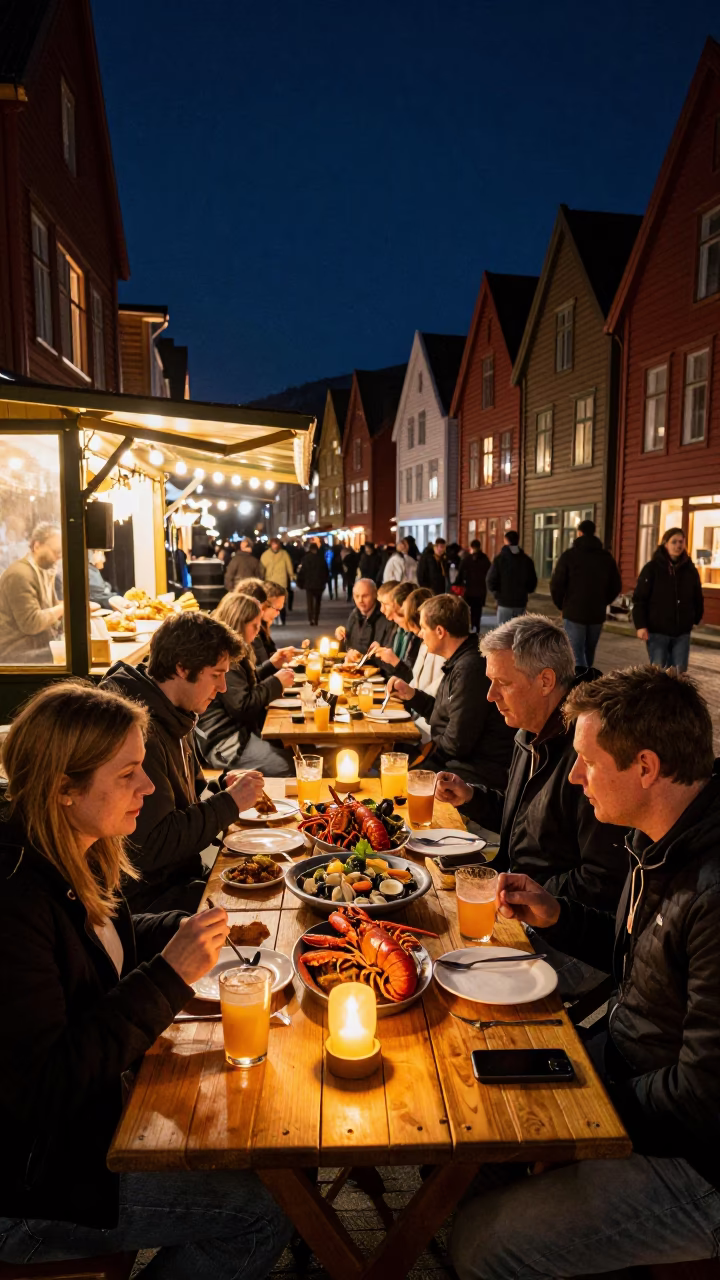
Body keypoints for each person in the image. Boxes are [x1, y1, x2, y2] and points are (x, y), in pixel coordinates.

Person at [0, 681, 290, 1278]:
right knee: (264, 1211)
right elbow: (46, 1086)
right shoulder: (14, 900)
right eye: (129, 772)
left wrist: (189, 925)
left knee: (250, 1129)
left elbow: (103, 944)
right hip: (32, 1185)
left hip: (91, 1122)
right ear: (63, 788)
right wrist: (168, 975)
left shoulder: (76, 848)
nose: (150, 786)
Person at [451, 666, 720, 1279]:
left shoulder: (710, 890)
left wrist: (584, 1124)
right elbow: (638, 954)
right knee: (475, 1131)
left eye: (587, 762)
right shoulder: (660, 836)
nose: (573, 777)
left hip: (699, 1156)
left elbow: (705, 1094)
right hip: (631, 1065)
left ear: (645, 768)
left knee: (481, 1245)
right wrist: (553, 913)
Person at [435, 614, 626, 908]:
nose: (490, 696)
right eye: (490, 682)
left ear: (546, 681)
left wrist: (524, 896)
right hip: (510, 893)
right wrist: (471, 796)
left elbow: (603, 878)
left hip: (551, 924)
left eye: (503, 683)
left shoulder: (591, 750)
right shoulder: (529, 729)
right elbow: (527, 826)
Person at [101, 612, 264, 913]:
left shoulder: (176, 710)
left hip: (183, 879)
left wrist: (221, 787)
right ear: (182, 668)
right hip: (150, 902)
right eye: (216, 674)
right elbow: (149, 846)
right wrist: (228, 803)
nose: (224, 687)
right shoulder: (135, 730)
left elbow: (185, 800)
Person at [388, 594, 515, 789]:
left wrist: (425, 757)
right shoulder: (460, 661)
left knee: (396, 784)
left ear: (440, 631)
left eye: (423, 627)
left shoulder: (470, 668)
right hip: (456, 762)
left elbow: (457, 743)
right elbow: (443, 716)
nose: (419, 634)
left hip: (473, 773)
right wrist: (411, 695)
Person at [196, 593, 294, 776]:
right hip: (223, 742)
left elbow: (240, 686)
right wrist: (277, 683)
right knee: (288, 766)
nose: (258, 631)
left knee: (295, 756)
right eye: (254, 625)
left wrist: (270, 666)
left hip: (234, 733)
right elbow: (242, 706)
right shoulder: (225, 657)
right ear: (239, 623)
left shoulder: (226, 650)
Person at [370, 586, 439, 742]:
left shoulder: (431, 648)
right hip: (418, 718)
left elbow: (432, 703)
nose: (387, 614)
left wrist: (396, 664)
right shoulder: (419, 642)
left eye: (399, 613)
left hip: (424, 730)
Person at [550, 518, 622, 667]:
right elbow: (616, 585)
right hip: (597, 612)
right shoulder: (606, 558)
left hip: (574, 611)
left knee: (575, 652)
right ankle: (588, 682)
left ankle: (583, 683)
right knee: (589, 651)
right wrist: (603, 601)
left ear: (579, 533)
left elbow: (557, 584)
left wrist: (562, 605)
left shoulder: (569, 556)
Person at [632, 526, 703, 673]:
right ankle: (657, 697)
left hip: (682, 631)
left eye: (681, 542)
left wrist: (695, 618)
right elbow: (640, 598)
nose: (678, 546)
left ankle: (676, 697)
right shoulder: (652, 568)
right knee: (658, 672)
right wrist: (641, 625)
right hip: (658, 630)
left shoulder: (690, 570)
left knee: (679, 673)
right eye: (674, 542)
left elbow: (697, 596)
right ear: (665, 544)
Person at [0, 521, 64, 662]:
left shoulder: (44, 570)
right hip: (17, 653)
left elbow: (50, 610)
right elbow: (31, 623)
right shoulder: (19, 575)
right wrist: (63, 608)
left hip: (36, 645)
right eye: (56, 551)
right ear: (37, 546)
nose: (60, 556)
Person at [336, 577, 395, 659]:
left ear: (375, 595)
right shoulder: (354, 614)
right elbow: (347, 647)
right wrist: (342, 637)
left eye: (365, 596)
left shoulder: (386, 617)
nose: (360, 600)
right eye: (357, 596)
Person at [486, 529, 537, 623]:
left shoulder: (500, 560)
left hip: (504, 602)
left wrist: (497, 595)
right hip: (520, 602)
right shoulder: (526, 560)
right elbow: (532, 581)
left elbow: (490, 580)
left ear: (506, 541)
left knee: (504, 632)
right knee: (518, 631)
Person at [456, 539, 491, 632]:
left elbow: (460, 573)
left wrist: (456, 583)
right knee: (478, 609)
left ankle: (470, 625)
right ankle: (477, 626)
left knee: (468, 608)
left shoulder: (467, 559)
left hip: (469, 589)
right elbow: (489, 573)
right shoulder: (485, 559)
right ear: (480, 547)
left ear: (471, 548)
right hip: (481, 589)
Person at [260, 537, 294, 623]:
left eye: (276, 544)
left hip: (281, 582)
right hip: (270, 582)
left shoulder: (284, 554)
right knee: (271, 601)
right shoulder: (265, 555)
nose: (275, 546)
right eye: (273, 544)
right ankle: (273, 618)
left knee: (281, 602)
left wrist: (291, 575)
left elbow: (289, 566)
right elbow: (262, 569)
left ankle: (282, 618)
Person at [297, 538, 329, 625]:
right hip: (319, 584)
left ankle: (310, 618)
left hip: (309, 584)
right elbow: (326, 571)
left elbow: (302, 572)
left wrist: (300, 583)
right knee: (318, 602)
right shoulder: (321, 559)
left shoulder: (305, 559)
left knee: (310, 602)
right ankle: (316, 618)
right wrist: (325, 581)